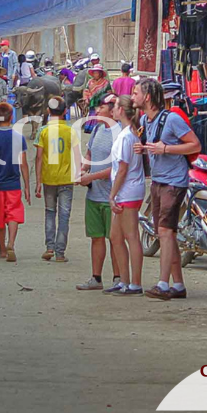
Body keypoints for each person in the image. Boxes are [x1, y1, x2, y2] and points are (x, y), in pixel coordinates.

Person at [131, 78, 201, 300]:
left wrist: (166, 149)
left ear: (148, 97)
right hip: (159, 180)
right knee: (165, 233)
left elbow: (195, 145)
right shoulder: (146, 120)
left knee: (165, 231)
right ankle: (178, 285)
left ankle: (163, 283)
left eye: (135, 93)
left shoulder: (171, 119)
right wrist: (146, 150)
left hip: (173, 181)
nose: (133, 97)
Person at [75, 94, 121, 291]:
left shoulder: (121, 134)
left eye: (100, 108)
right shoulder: (97, 130)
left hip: (113, 196)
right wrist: (83, 169)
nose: (96, 111)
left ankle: (119, 278)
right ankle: (96, 277)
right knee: (96, 237)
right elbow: (90, 153)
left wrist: (90, 177)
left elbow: (117, 169)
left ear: (112, 111)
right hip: (94, 194)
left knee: (115, 239)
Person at [108, 95, 147, 296]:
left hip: (128, 190)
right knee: (115, 236)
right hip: (128, 189)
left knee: (131, 236)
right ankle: (124, 280)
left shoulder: (126, 136)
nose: (112, 110)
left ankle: (135, 282)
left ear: (121, 110)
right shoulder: (129, 133)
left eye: (114, 106)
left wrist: (112, 195)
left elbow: (122, 168)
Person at [0, 102, 31, 262]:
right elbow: (23, 164)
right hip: (13, 184)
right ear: (11, 117)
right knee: (13, 213)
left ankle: (2, 249)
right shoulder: (18, 138)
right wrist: (27, 187)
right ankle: (11, 242)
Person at [34, 96, 81, 262]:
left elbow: (39, 158)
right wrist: (78, 175)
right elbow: (77, 155)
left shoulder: (43, 131)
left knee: (50, 212)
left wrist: (38, 181)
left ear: (48, 111)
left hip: (49, 179)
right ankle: (60, 253)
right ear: (65, 112)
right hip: (67, 179)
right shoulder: (71, 131)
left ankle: (49, 247)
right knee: (64, 215)